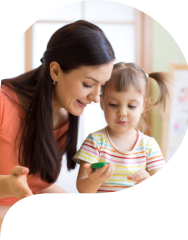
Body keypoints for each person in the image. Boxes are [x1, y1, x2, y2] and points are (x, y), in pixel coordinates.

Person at [0, 20, 115, 205]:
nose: (95, 97)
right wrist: (7, 185)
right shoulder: (3, 103)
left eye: (101, 86)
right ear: (55, 71)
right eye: (88, 84)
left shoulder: (64, 117)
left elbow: (37, 185)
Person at [73, 62, 172, 194]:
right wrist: (93, 181)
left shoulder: (149, 146)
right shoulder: (95, 141)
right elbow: (82, 189)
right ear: (102, 102)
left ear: (143, 106)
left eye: (131, 106)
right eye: (113, 104)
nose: (122, 113)